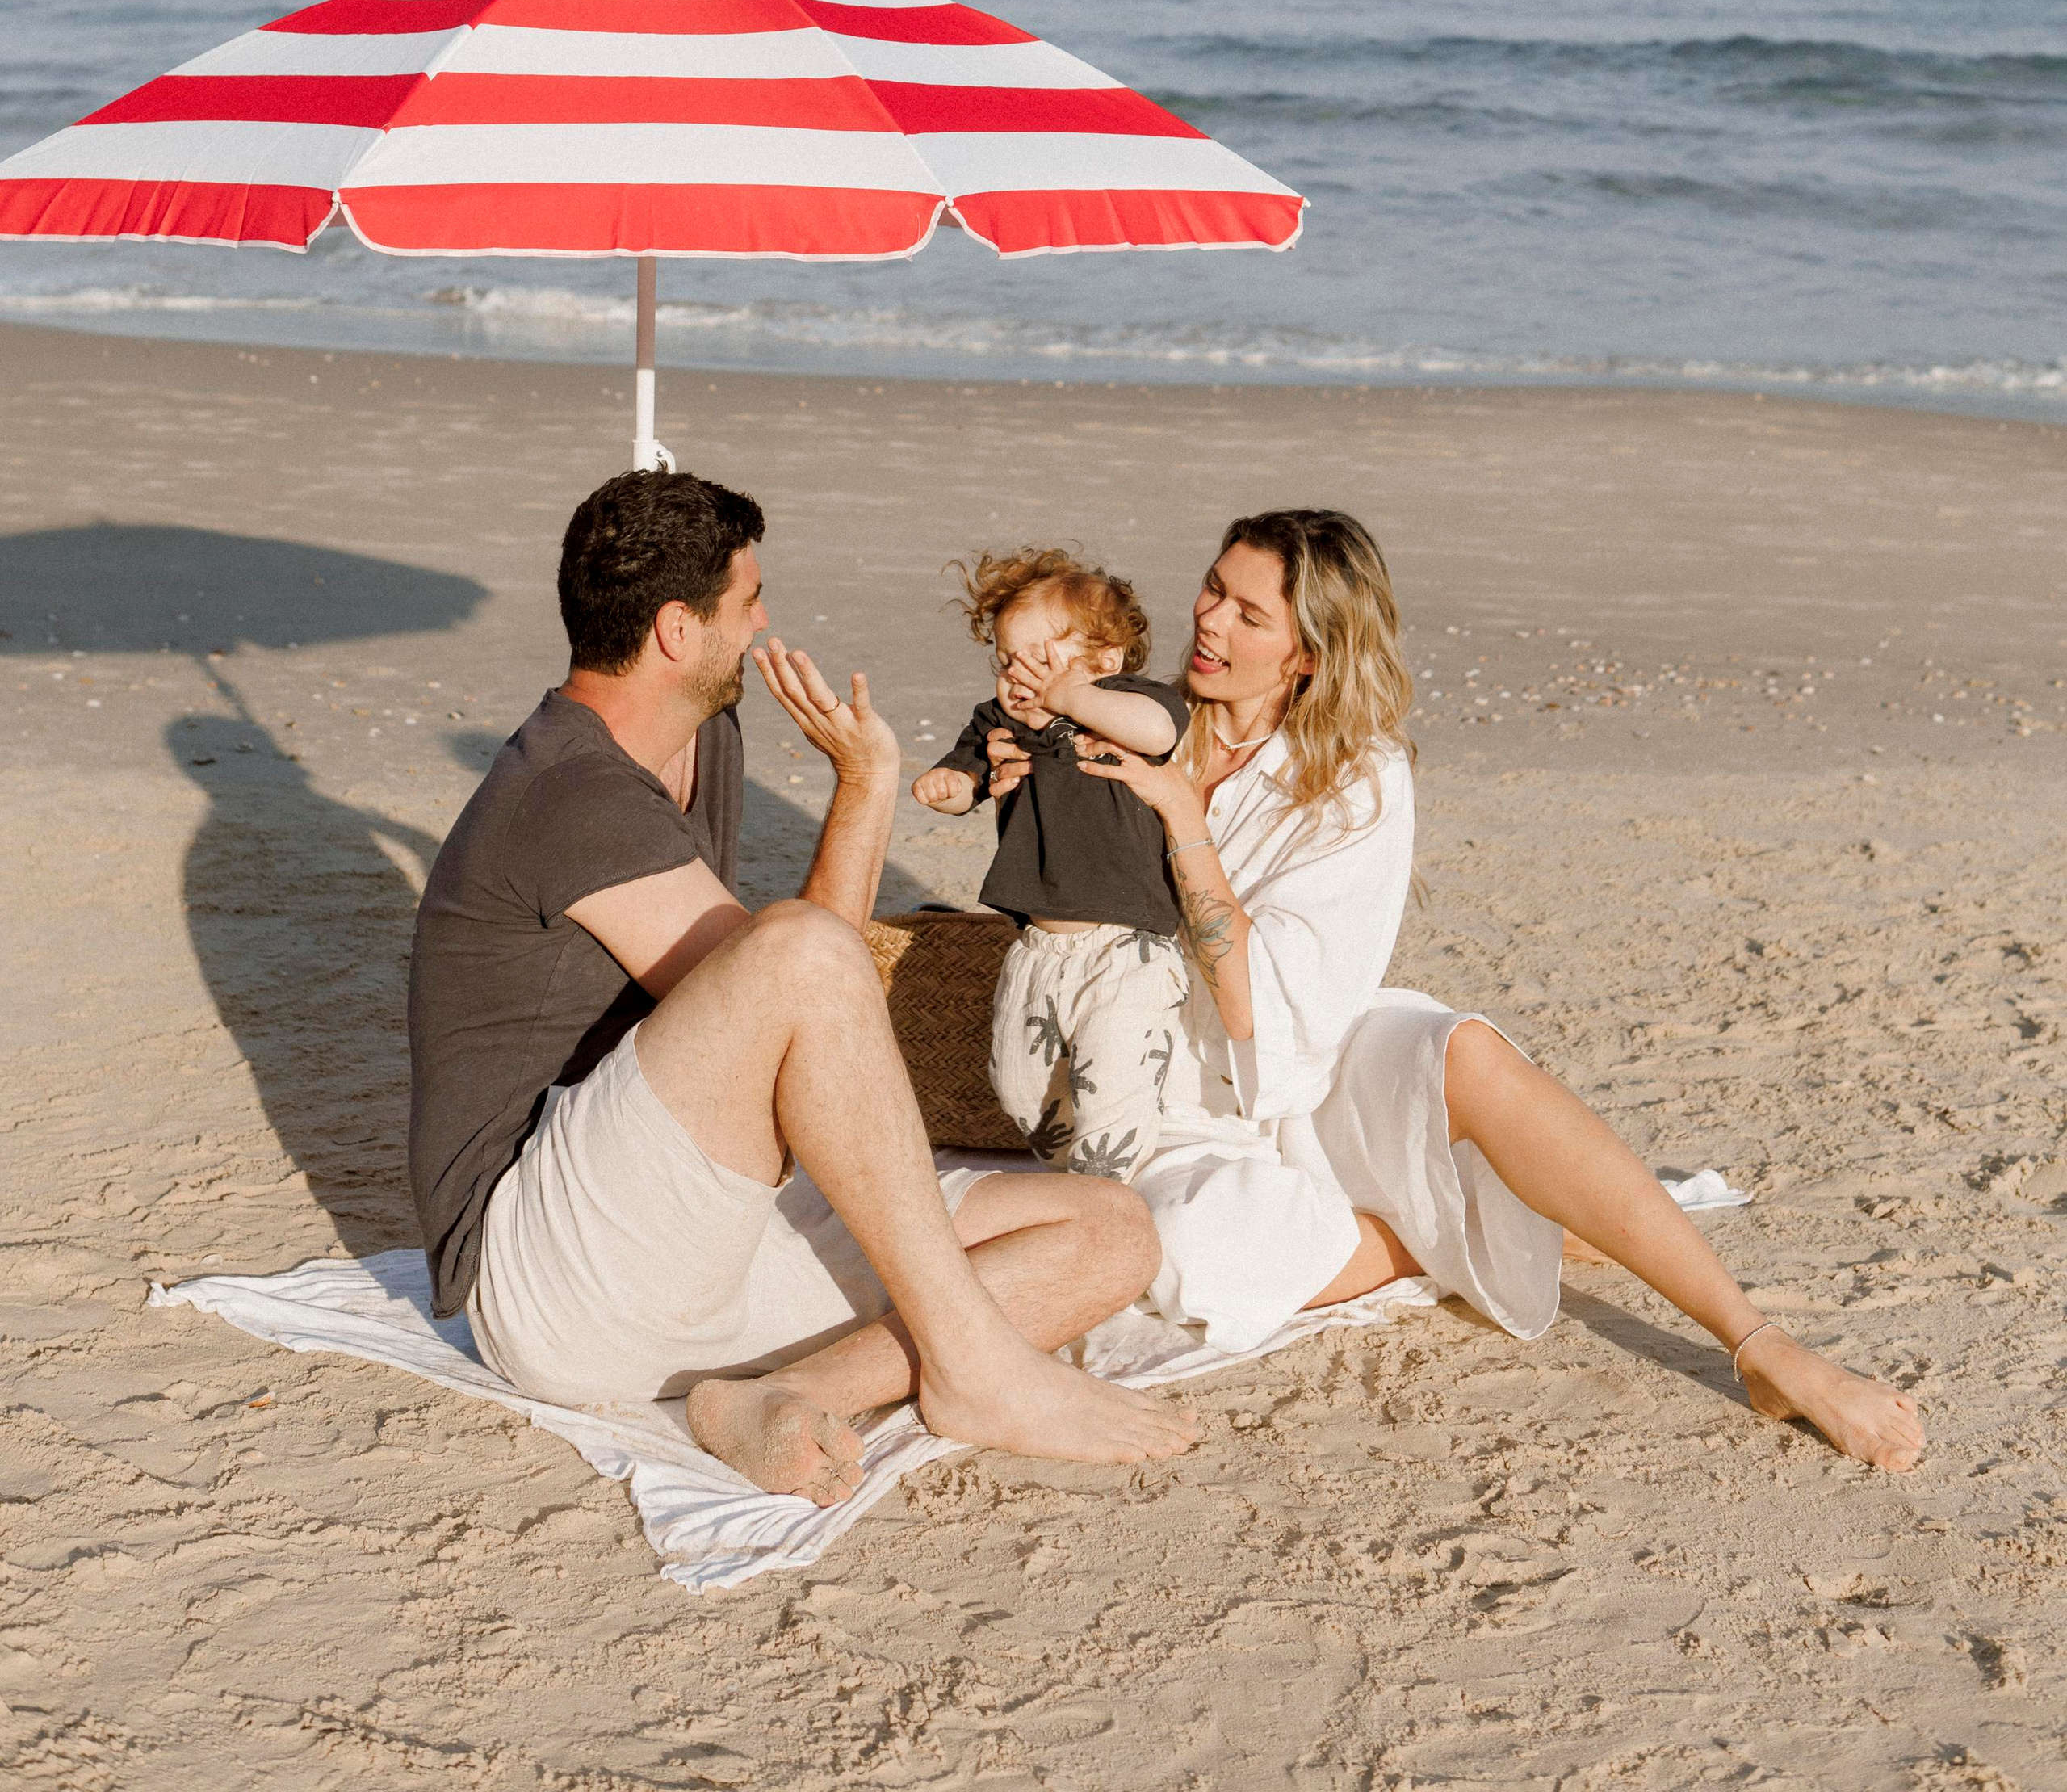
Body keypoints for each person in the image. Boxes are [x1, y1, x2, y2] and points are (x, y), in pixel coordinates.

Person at [1067, 506, 1924, 1473]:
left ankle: (1764, 1348)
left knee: (1462, 1046)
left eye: (1249, 614)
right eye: (1214, 588)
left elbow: (1263, 1005)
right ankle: (1441, 1236)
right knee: (1179, 1253)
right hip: (1168, 1083)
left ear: (1307, 656)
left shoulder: (1356, 777)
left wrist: (1185, 823)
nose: (1210, 621)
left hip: (1306, 1052)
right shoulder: (1138, 723)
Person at [405, 469, 1196, 1508]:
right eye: (748, 600)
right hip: (560, 1273)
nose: (764, 619)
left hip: (699, 1219)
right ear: (679, 631)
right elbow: (795, 980)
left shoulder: (700, 738)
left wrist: (867, 781)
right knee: (799, 950)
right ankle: (978, 1369)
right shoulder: (571, 793)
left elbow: (783, 1011)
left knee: (1110, 1232)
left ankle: (779, 1393)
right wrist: (868, 791)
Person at [912, 548, 1192, 1177]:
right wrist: (947, 788)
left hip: (1128, 950)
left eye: (1042, 659)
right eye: (1008, 660)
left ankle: (1106, 1194)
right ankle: (1080, 1184)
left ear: (1107, 662)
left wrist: (1075, 696)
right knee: (1018, 1089)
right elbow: (969, 778)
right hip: (1038, 947)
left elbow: (1158, 734)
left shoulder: (1129, 703)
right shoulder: (1002, 722)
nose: (1022, 675)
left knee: (1112, 1090)